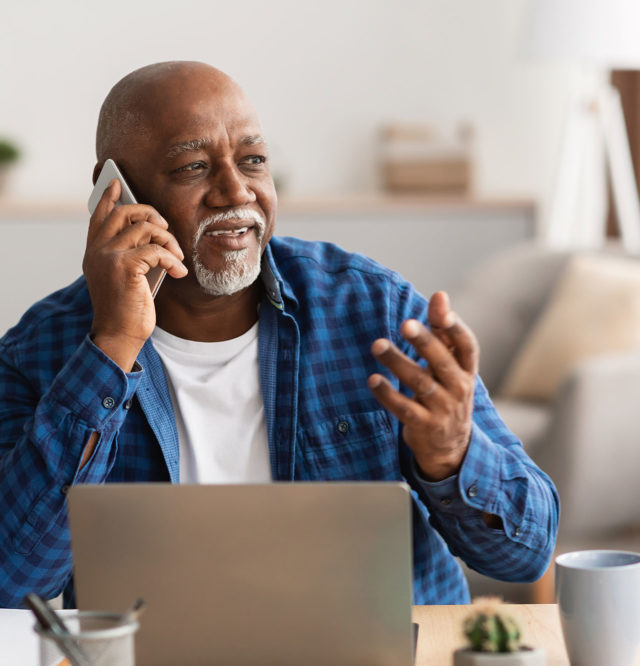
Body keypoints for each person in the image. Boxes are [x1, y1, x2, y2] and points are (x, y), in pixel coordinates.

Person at [0, 62, 559, 609]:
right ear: (115, 195)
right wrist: (114, 345)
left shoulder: (374, 310)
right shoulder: (39, 353)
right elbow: (10, 582)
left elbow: (527, 554)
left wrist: (452, 455)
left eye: (253, 160)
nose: (235, 191)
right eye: (193, 167)